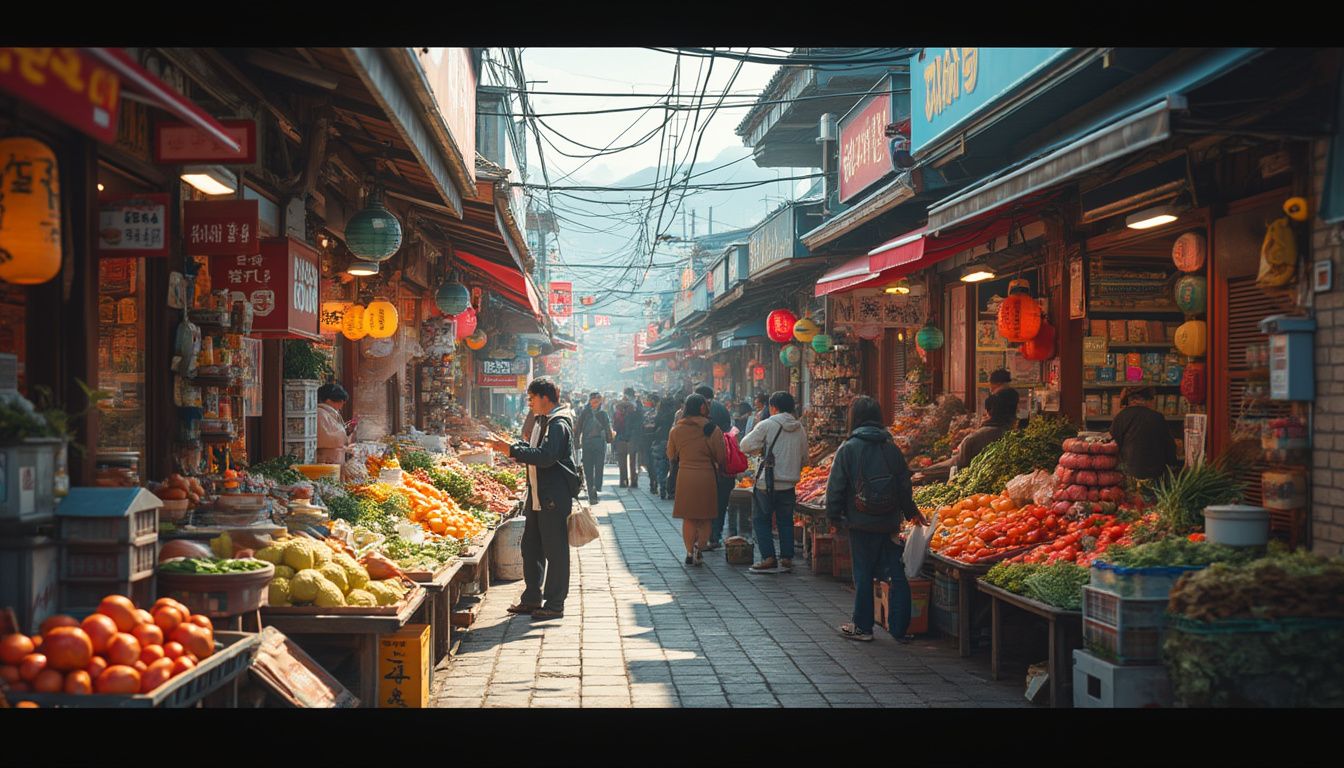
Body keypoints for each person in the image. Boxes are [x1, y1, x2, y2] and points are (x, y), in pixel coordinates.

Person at [825, 396, 926, 642]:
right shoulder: (891, 448)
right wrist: (911, 511)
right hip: (889, 521)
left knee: (863, 573)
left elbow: (835, 487)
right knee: (896, 572)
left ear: (854, 418)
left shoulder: (848, 448)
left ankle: (862, 626)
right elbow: (904, 485)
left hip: (860, 521)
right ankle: (901, 629)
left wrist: (834, 517)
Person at [489, 377, 578, 620]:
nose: (529, 403)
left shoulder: (559, 423)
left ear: (544, 398)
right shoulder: (543, 420)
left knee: (555, 551)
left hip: (552, 496)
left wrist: (512, 450)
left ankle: (555, 604)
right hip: (538, 495)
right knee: (531, 547)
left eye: (531, 398)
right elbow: (535, 449)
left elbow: (547, 456)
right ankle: (531, 598)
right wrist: (513, 446)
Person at [740, 391, 808, 573]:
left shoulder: (767, 424)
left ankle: (768, 557)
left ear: (773, 407)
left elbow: (744, 445)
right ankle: (786, 557)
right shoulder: (799, 428)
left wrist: (760, 449)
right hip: (789, 484)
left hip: (767, 483)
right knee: (785, 521)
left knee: (761, 520)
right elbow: (805, 457)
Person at [914, 372, 1020, 484]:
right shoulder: (1013, 434)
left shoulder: (975, 438)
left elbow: (956, 465)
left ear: (991, 411)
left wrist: (926, 472)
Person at [666, 394, 726, 566]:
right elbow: (720, 456)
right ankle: (700, 549)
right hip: (706, 476)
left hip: (685, 476)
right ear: (702, 407)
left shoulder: (676, 429)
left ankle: (689, 552)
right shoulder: (712, 429)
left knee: (689, 517)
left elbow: (671, 454)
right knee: (705, 517)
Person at [695, 385, 736, 550]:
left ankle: (703, 537)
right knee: (720, 503)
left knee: (704, 504)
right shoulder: (722, 409)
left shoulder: (698, 412)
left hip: (706, 465)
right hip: (722, 464)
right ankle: (715, 536)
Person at [1110, 386, 1179, 480]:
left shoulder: (1121, 417)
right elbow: (1169, 447)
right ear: (1147, 400)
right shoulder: (1157, 417)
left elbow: (1113, 445)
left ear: (1131, 400)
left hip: (1129, 475)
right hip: (1155, 475)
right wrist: (1173, 467)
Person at [575, 391, 614, 504]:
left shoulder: (603, 413)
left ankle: (596, 488)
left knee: (599, 467)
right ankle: (591, 493)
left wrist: (609, 439)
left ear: (600, 401)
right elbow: (578, 427)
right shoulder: (585, 412)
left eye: (597, 400)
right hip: (587, 443)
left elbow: (607, 427)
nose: (595, 402)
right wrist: (576, 441)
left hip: (599, 443)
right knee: (588, 469)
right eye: (593, 400)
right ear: (590, 400)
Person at [315, 383, 354, 470]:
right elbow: (325, 439)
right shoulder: (320, 413)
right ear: (328, 400)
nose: (342, 403)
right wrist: (343, 439)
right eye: (340, 400)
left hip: (336, 460)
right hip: (326, 461)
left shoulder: (331, 413)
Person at [652, 394, 678, 499]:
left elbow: (654, 426)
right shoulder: (676, 414)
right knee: (673, 466)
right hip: (674, 441)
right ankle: (671, 489)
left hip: (661, 441)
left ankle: (662, 487)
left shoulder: (659, 414)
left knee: (661, 466)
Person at [613, 387, 640, 487]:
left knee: (622, 461)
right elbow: (639, 424)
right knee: (633, 461)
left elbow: (615, 425)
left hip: (620, 437)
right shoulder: (636, 408)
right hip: (633, 438)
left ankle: (623, 481)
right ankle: (633, 481)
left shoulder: (618, 409)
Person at [638, 392, 661, 492]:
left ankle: (653, 481)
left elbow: (643, 426)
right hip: (657, 439)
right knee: (655, 461)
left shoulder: (648, 414)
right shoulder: (660, 413)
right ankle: (655, 480)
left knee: (650, 462)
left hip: (648, 439)